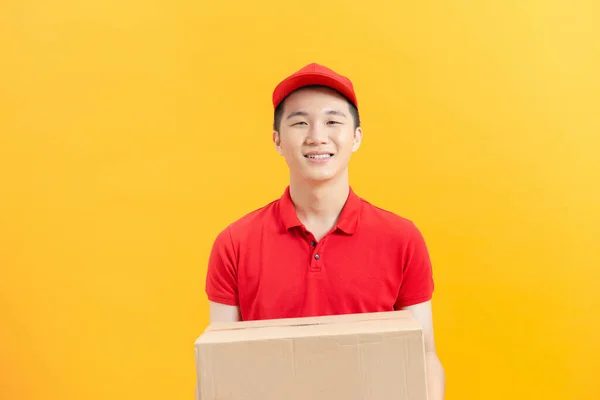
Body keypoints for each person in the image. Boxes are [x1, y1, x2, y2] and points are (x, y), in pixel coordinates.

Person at [204, 63, 445, 399]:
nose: (317, 136)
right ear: (277, 140)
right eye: (300, 122)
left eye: (333, 121)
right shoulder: (235, 243)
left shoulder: (401, 239)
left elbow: (424, 354)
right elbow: (221, 364)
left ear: (356, 137)